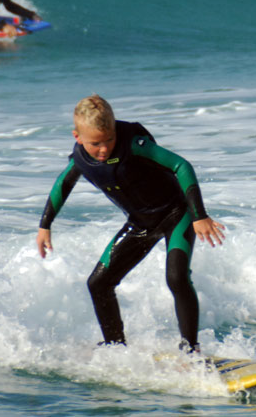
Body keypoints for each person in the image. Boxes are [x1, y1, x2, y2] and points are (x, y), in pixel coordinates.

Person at [36, 95, 225, 354]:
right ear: (77, 137)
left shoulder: (134, 145)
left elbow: (181, 165)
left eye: (109, 139)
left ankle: (191, 350)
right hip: (140, 224)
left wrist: (199, 215)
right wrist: (45, 225)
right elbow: (63, 184)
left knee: (176, 278)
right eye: (96, 143)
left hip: (175, 214)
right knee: (98, 284)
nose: (104, 149)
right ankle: (115, 347)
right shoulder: (80, 158)